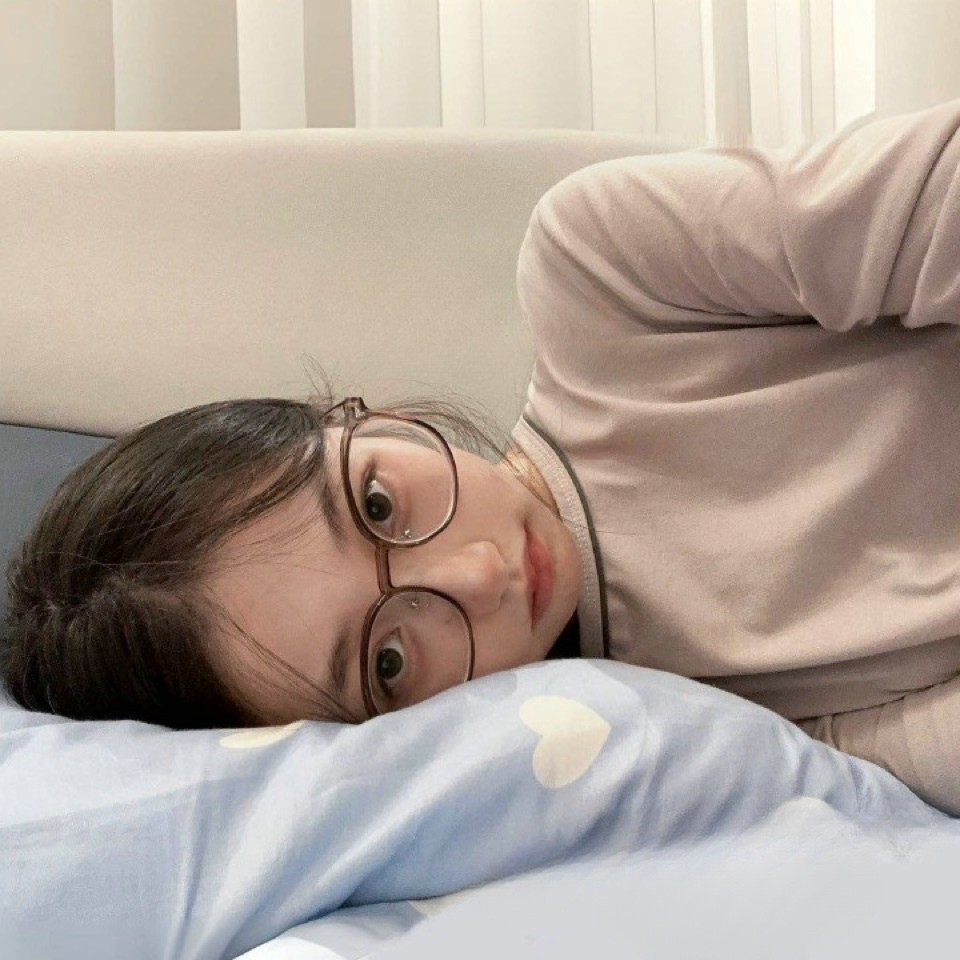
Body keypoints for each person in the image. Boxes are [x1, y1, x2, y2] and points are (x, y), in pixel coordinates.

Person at [3, 97, 960, 817]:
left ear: (362, 417)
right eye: (389, 661)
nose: (478, 574)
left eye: (378, 505)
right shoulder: (681, 742)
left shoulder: (608, 275)